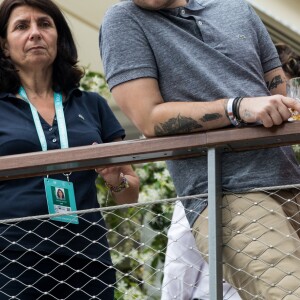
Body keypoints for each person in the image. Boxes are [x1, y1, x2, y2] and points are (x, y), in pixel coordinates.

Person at [100, 0, 300, 299]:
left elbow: (281, 94)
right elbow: (149, 119)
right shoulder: (122, 19)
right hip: (225, 191)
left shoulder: (237, 8)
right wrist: (237, 108)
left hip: (288, 175)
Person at [0, 0, 139, 299]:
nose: (35, 33)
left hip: (86, 257)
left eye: (45, 24)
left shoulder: (92, 104)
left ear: (58, 38)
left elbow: (131, 193)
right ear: (3, 45)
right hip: (11, 258)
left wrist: (116, 179)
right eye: (22, 26)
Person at [161, 42, 300, 300]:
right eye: (274, 96)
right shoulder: (214, 174)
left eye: (288, 93)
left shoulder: (287, 171)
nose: (282, 107)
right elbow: (180, 254)